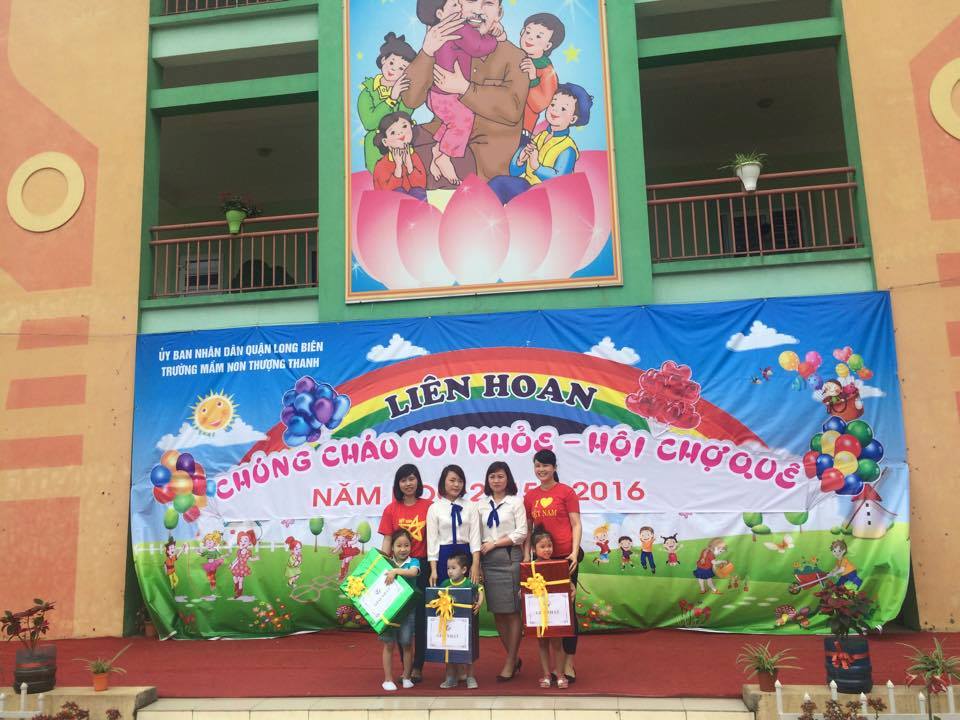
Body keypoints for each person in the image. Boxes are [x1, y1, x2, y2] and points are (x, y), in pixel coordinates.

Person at [402, 0, 529, 184]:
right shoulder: (443, 43)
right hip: (443, 135)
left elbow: (512, 109)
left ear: (499, 13)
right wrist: (427, 51)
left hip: (480, 154)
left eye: (488, 3)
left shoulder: (515, 57)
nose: (477, 10)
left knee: (418, 170)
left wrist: (465, 89)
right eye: (470, 1)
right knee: (400, 144)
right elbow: (411, 100)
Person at [416, 0, 503, 185]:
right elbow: (478, 47)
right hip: (448, 96)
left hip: (437, 96)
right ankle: (445, 157)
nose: (461, 8)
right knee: (463, 121)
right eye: (455, 5)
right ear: (440, 14)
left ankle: (437, 151)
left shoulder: (439, 29)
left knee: (452, 123)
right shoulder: (458, 27)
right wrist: (495, 38)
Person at [523, 448, 582, 684]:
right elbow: (529, 529)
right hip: (540, 561)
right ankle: (549, 670)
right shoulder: (530, 496)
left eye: (545, 465)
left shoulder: (566, 492)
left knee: (567, 610)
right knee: (545, 610)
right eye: (537, 465)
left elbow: (576, 524)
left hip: (565, 558)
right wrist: (527, 557)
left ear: (554, 467)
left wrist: (574, 553)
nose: (541, 470)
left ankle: (568, 662)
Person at [488, 83, 593, 205]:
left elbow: (559, 179)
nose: (554, 109)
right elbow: (514, 172)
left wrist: (537, 167)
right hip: (527, 186)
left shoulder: (568, 148)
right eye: (553, 104)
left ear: (573, 119)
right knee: (498, 183)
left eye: (563, 109)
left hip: (548, 196)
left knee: (501, 185)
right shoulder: (541, 136)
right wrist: (520, 160)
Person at [379, 464, 433, 684]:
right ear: (398, 484)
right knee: (400, 617)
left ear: (418, 481)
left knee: (420, 619)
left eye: (411, 479)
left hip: (421, 567)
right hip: (398, 570)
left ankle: (418, 665)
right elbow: (387, 540)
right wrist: (382, 567)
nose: (408, 484)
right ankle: (406, 668)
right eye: (403, 480)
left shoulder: (429, 506)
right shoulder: (391, 509)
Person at [477, 460, 527, 682]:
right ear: (487, 480)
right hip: (488, 561)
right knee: (498, 612)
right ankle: (513, 657)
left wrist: (496, 543)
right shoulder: (480, 505)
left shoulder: (516, 502)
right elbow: (476, 536)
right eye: (492, 476)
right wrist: (477, 564)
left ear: (508, 479)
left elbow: (522, 532)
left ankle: (510, 661)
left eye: (500, 476)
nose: (496, 480)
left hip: (509, 558)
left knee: (512, 611)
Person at [358, 32, 416, 174]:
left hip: (402, 144)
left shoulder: (405, 93)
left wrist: (402, 94)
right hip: (376, 148)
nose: (393, 69)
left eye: (401, 68)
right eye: (391, 63)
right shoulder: (368, 91)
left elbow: (405, 117)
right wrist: (391, 98)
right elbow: (369, 123)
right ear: (383, 60)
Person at [529, 528, 574, 690]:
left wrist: (572, 587)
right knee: (542, 643)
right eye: (542, 546)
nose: (547, 549)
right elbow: (525, 586)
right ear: (533, 549)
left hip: (556, 612)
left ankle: (560, 674)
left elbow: (567, 583)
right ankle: (547, 675)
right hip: (539, 612)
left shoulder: (559, 565)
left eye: (549, 546)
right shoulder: (530, 567)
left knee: (557, 643)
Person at [427, 464, 482, 586]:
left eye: (460, 481)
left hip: (466, 554)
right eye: (452, 480)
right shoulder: (434, 508)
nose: (456, 484)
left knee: (468, 592)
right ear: (443, 482)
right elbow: (432, 541)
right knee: (445, 593)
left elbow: (475, 538)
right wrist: (433, 570)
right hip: (444, 556)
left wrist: (475, 565)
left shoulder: (470, 506)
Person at [380, 529, 421, 692]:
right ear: (392, 547)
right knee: (389, 644)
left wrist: (395, 571)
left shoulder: (414, 562)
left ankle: (407, 677)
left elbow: (413, 573)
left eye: (406, 545)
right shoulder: (385, 564)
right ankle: (388, 679)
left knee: (407, 643)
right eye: (398, 546)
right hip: (388, 611)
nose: (403, 549)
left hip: (407, 611)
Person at [517, 13, 565, 146]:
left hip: (521, 128)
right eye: (528, 32)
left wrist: (533, 78)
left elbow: (539, 105)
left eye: (538, 36)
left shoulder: (547, 71)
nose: (530, 38)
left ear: (548, 46)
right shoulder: (514, 55)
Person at [438, 553, 485, 689]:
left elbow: (480, 590)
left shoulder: (469, 583)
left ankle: (470, 677)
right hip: (450, 624)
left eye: (453, 568)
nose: (450, 571)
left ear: (464, 569)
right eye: (448, 568)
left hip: (466, 625)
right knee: (449, 650)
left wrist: (479, 603)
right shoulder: (445, 584)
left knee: (468, 650)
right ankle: (451, 677)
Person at [372, 112, 428, 201]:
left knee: (418, 191)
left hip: (414, 203)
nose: (401, 133)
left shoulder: (413, 156)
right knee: (398, 191)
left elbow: (421, 184)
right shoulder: (381, 165)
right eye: (393, 132)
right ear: (385, 141)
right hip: (391, 204)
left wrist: (409, 164)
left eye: (404, 126)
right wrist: (398, 166)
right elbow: (387, 192)